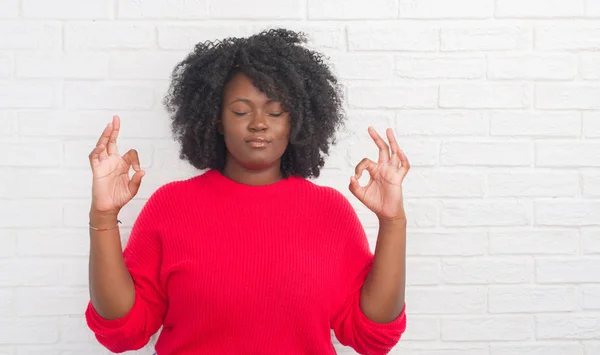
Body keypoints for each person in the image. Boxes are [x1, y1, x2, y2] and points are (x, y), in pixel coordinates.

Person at [85, 28, 409, 355]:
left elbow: (373, 337)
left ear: (295, 119)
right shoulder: (171, 206)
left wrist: (393, 222)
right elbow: (122, 333)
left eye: (275, 111)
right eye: (241, 111)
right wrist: (103, 216)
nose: (258, 124)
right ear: (217, 119)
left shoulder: (329, 210)